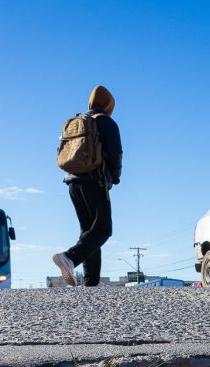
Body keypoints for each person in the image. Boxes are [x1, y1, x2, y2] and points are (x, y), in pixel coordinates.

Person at [53, 85, 122, 287]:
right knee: (103, 229)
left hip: (72, 181)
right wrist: (115, 177)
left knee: (88, 230)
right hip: (95, 180)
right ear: (108, 104)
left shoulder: (78, 121)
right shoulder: (106, 122)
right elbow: (116, 152)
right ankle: (69, 257)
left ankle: (91, 282)